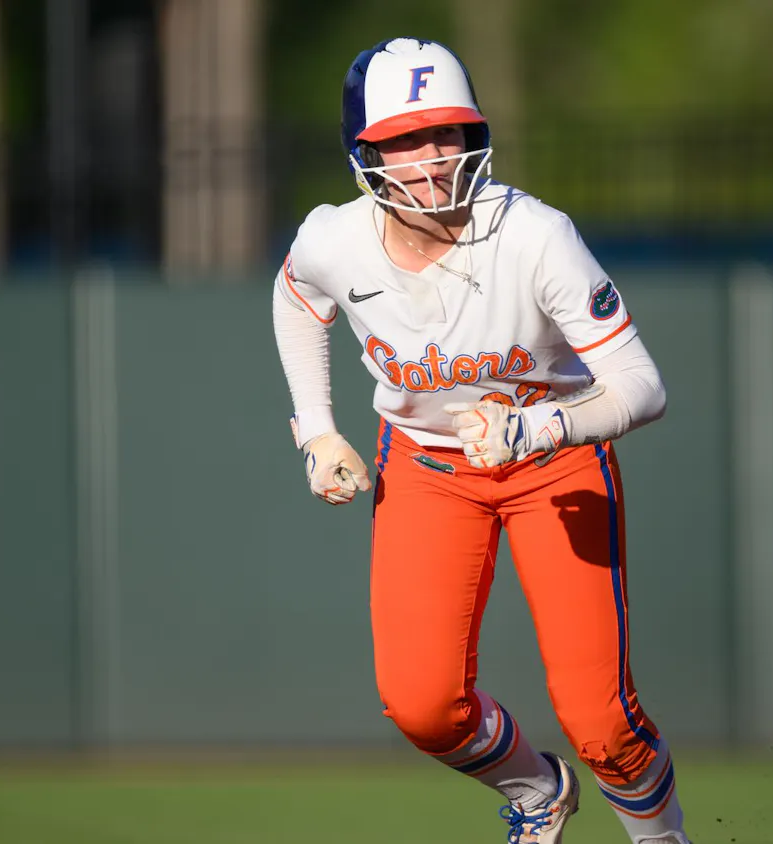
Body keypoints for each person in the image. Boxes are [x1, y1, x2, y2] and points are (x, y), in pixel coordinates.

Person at [271, 37, 692, 844]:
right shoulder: (335, 239)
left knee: (602, 722)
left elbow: (643, 386)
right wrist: (318, 433)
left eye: (448, 133)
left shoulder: (533, 235)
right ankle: (538, 791)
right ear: (366, 152)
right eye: (407, 138)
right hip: (428, 467)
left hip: (554, 462)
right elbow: (296, 298)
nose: (432, 157)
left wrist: (536, 425)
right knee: (422, 704)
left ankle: (663, 840)